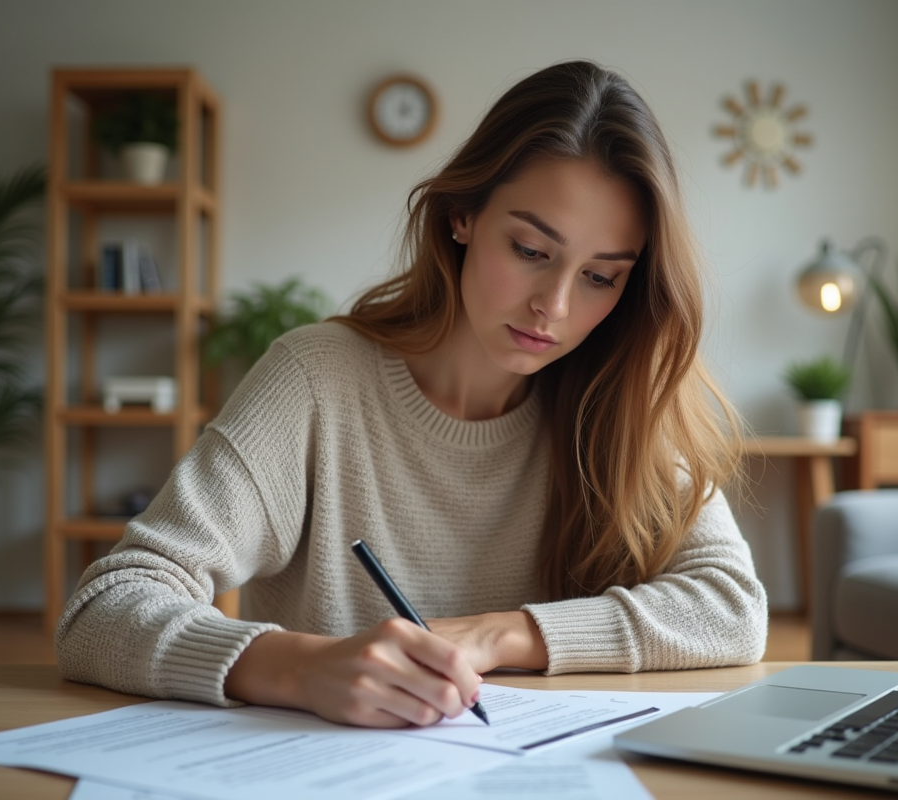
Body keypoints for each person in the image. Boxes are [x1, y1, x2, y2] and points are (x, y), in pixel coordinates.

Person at [56, 60, 768, 730]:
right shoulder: (316, 380)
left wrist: (494, 634)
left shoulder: (621, 400)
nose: (554, 304)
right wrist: (298, 667)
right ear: (461, 215)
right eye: (530, 251)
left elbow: (732, 608)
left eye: (600, 276)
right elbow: (105, 608)